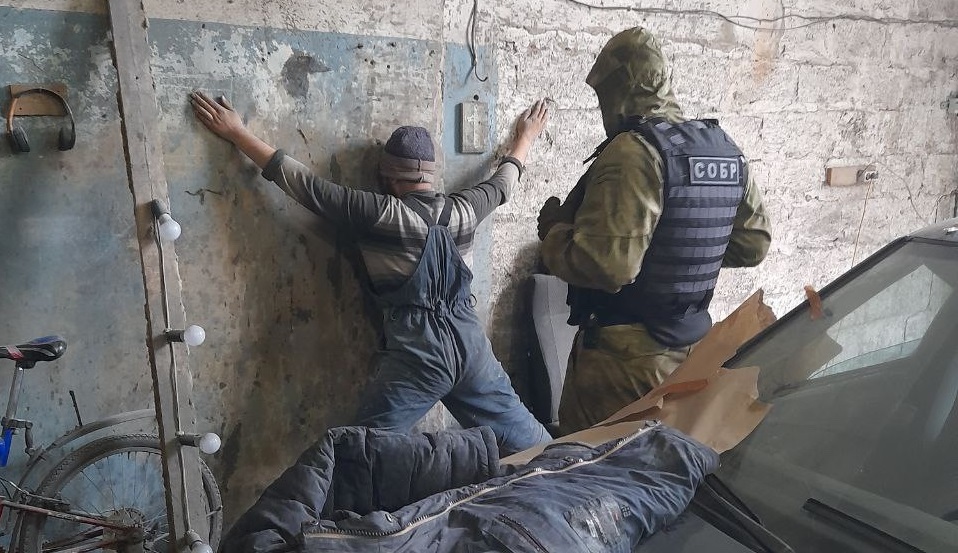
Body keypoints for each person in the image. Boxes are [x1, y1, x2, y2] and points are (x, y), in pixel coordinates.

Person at [190, 91, 552, 455]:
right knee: (533, 446)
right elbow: (504, 182)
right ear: (430, 175)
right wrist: (526, 136)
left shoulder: (380, 214)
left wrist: (237, 133)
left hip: (420, 356)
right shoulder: (465, 209)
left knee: (360, 454)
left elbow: (305, 185)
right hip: (473, 352)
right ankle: (569, 470)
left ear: (388, 178)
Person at [537, 27, 772, 435]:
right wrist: (671, 253)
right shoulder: (721, 148)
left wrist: (554, 233)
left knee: (590, 463)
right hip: (695, 352)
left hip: (623, 362)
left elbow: (607, 267)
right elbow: (753, 244)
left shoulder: (634, 151)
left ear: (620, 89)